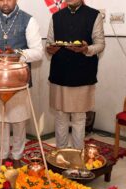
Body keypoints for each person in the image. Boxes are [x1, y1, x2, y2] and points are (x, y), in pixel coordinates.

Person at [0, 0, 43, 169]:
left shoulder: (28, 20)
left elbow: (38, 52)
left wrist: (15, 55)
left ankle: (17, 156)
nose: (5, 2)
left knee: (19, 119)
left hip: (18, 78)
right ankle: (3, 155)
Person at [46, 0, 105, 149]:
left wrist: (86, 49)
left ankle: (78, 155)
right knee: (60, 117)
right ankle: (61, 153)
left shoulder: (94, 15)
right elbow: (49, 43)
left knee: (79, 118)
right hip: (60, 73)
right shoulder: (56, 16)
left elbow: (100, 44)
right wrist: (49, 49)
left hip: (83, 74)